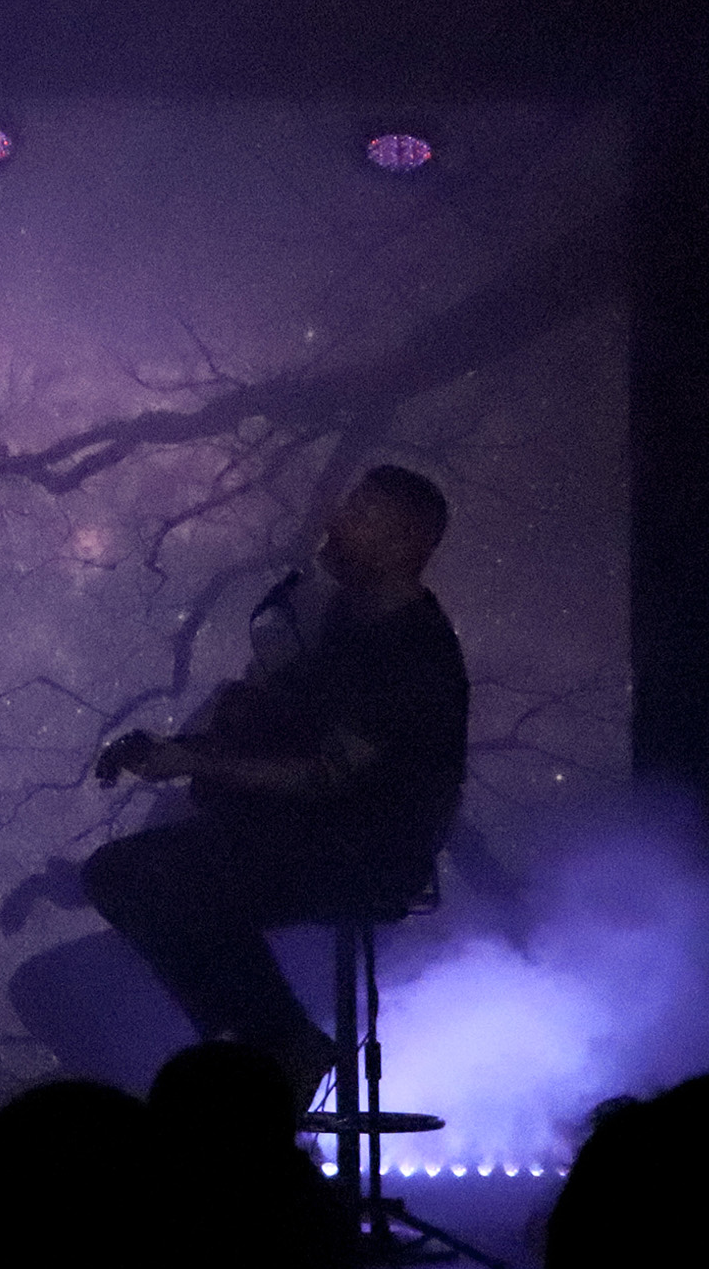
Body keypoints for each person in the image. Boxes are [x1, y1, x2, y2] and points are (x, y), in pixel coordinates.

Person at [85, 466, 469, 1112]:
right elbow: (271, 726)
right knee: (125, 873)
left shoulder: (409, 648)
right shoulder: (344, 623)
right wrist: (178, 749)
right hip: (305, 836)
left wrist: (193, 761)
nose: (337, 523)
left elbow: (325, 772)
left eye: (362, 516)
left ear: (408, 541)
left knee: (147, 874)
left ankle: (278, 1044)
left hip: (365, 853)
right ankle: (259, 1043)